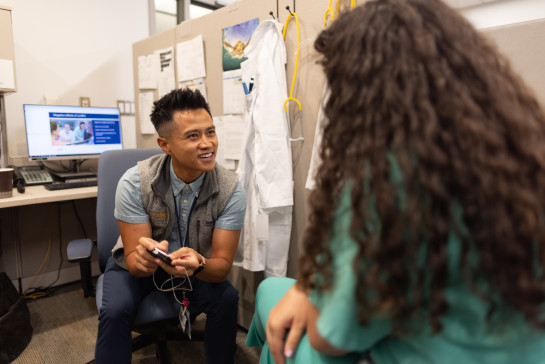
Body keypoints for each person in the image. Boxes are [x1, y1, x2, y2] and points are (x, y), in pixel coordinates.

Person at [246, 0, 545, 363]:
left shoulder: (389, 184)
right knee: (278, 293)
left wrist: (309, 290)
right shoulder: (521, 156)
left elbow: (330, 339)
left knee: (276, 317)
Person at [95, 88, 247, 364]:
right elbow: (133, 260)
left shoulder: (230, 189)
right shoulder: (135, 182)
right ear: (165, 145)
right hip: (137, 270)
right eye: (193, 136)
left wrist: (200, 263)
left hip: (192, 268)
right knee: (115, 309)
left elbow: (222, 265)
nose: (207, 144)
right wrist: (142, 260)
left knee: (226, 298)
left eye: (210, 132)